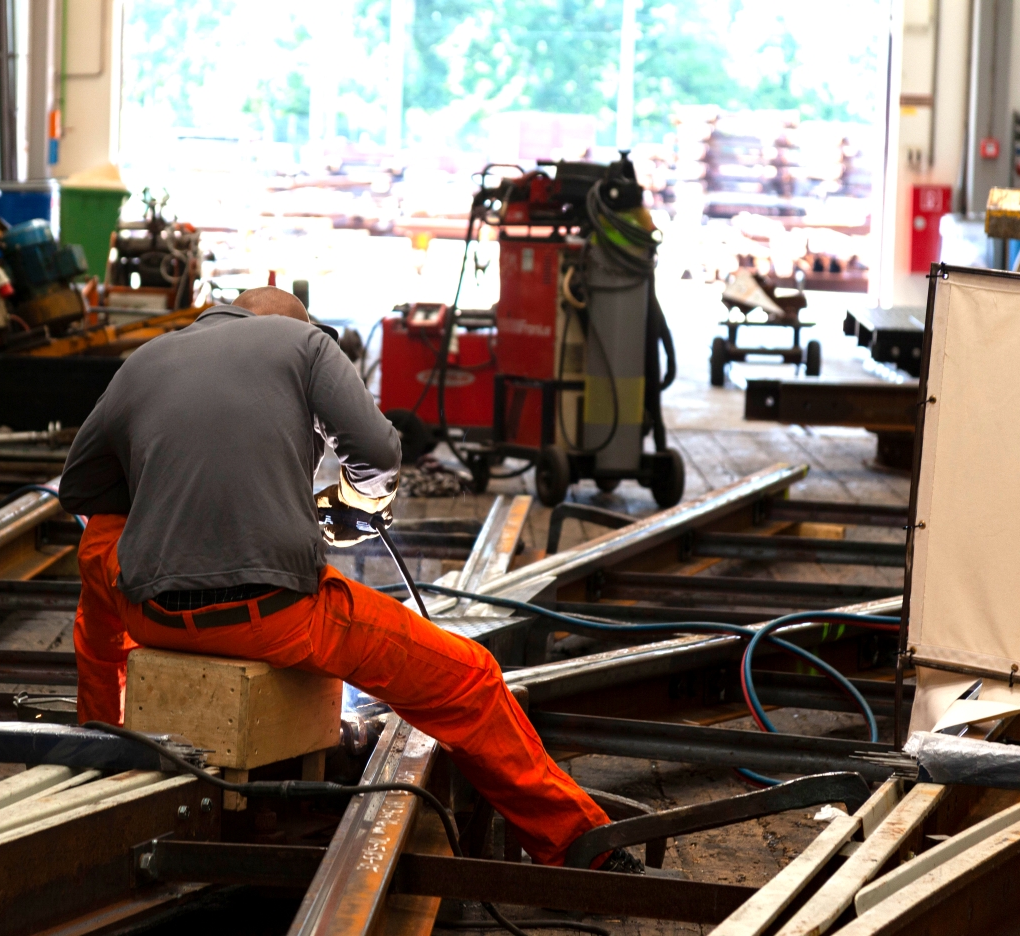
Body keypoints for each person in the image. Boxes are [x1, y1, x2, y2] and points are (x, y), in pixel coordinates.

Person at [59, 286, 621, 868]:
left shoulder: (144, 360)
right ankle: (579, 845)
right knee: (468, 681)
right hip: (276, 618)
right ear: (296, 324)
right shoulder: (302, 342)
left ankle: (100, 743)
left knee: (101, 540)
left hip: (152, 617)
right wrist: (357, 500)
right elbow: (377, 452)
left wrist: (174, 517)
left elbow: (80, 489)